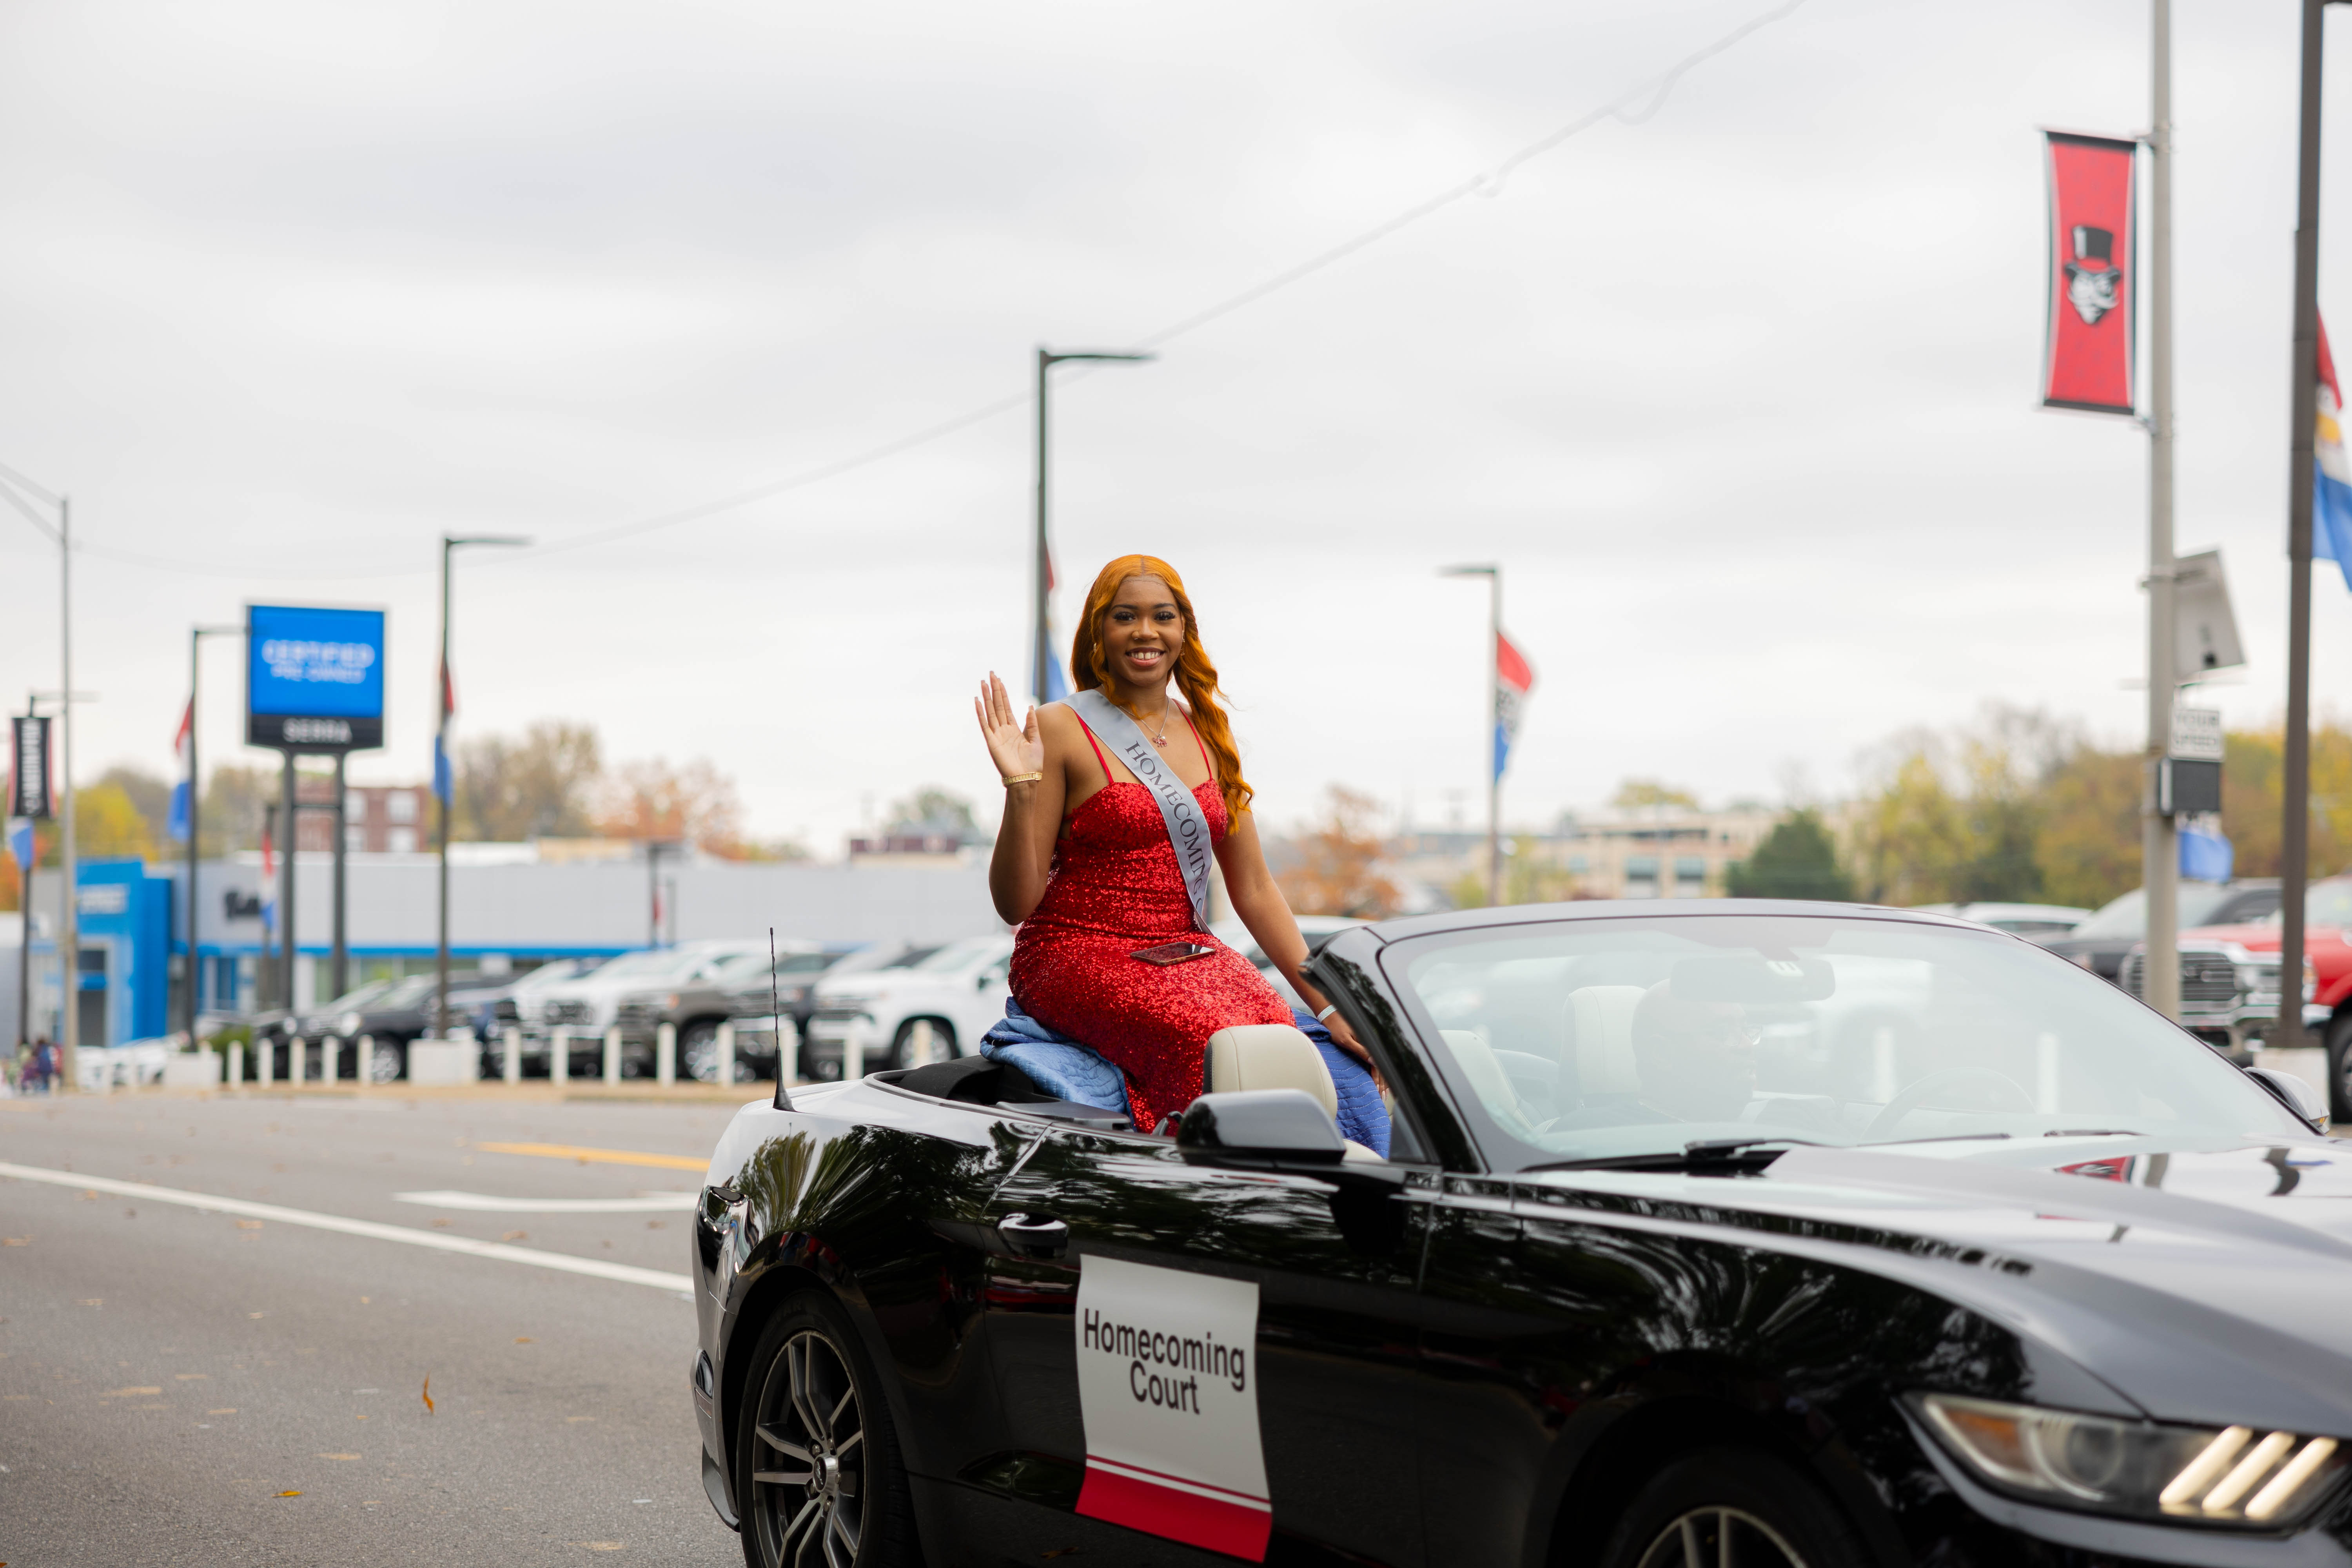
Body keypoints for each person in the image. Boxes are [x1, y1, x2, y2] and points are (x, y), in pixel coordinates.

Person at [976, 554, 1384, 1136]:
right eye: (1125, 616)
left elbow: (1255, 887)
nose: (1145, 632)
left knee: (1276, 1034)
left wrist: (1324, 1004)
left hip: (1184, 949)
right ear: (1099, 631)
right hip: (1077, 950)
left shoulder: (1209, 732)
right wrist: (1020, 790)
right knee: (1210, 1041)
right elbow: (1015, 905)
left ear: (1183, 631)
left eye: (1162, 616)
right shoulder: (1061, 726)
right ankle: (1216, 1199)